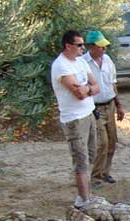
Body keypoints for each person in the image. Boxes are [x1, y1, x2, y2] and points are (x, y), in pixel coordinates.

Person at [51, 30, 103, 209]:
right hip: (73, 119)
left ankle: (88, 195)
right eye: (79, 45)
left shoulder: (81, 62)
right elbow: (79, 92)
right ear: (68, 46)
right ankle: (83, 199)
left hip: (88, 113)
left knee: (91, 154)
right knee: (80, 158)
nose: (83, 48)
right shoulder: (61, 66)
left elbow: (97, 86)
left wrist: (87, 88)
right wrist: (88, 89)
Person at [82, 30, 124, 189]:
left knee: (112, 140)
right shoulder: (83, 63)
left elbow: (113, 84)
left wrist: (119, 105)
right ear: (91, 47)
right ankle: (95, 176)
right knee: (102, 142)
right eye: (101, 46)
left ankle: (105, 172)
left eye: (105, 46)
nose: (104, 49)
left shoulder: (107, 60)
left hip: (110, 104)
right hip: (95, 107)